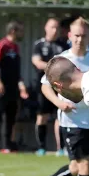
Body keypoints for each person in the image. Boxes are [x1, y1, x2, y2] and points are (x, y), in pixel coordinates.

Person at [32, 17, 89, 176]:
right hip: (70, 120)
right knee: (85, 164)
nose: (79, 39)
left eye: (84, 35)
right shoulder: (61, 59)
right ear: (70, 35)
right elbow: (45, 86)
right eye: (76, 35)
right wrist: (59, 103)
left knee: (75, 168)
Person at [0, 20, 29, 156]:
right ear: (13, 31)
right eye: (20, 31)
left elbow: (16, 71)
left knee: (10, 118)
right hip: (0, 88)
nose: (22, 33)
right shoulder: (1, 46)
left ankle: (6, 147)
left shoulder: (15, 47)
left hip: (13, 89)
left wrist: (21, 86)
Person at [32, 18, 65, 156]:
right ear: (46, 28)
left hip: (60, 85)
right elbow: (37, 62)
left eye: (57, 27)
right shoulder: (39, 45)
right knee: (42, 116)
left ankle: (61, 148)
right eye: (52, 27)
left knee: (60, 116)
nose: (55, 30)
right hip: (43, 85)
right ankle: (41, 148)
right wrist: (55, 68)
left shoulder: (63, 45)